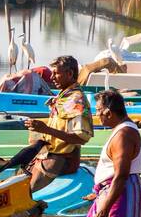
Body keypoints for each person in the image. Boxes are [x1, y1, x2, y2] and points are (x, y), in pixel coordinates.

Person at [22, 54, 93, 190]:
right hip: (49, 155)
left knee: (28, 191)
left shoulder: (76, 100)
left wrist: (46, 130)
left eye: (56, 73)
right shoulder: (63, 96)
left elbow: (80, 138)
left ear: (70, 73)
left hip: (63, 160)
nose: (51, 77)